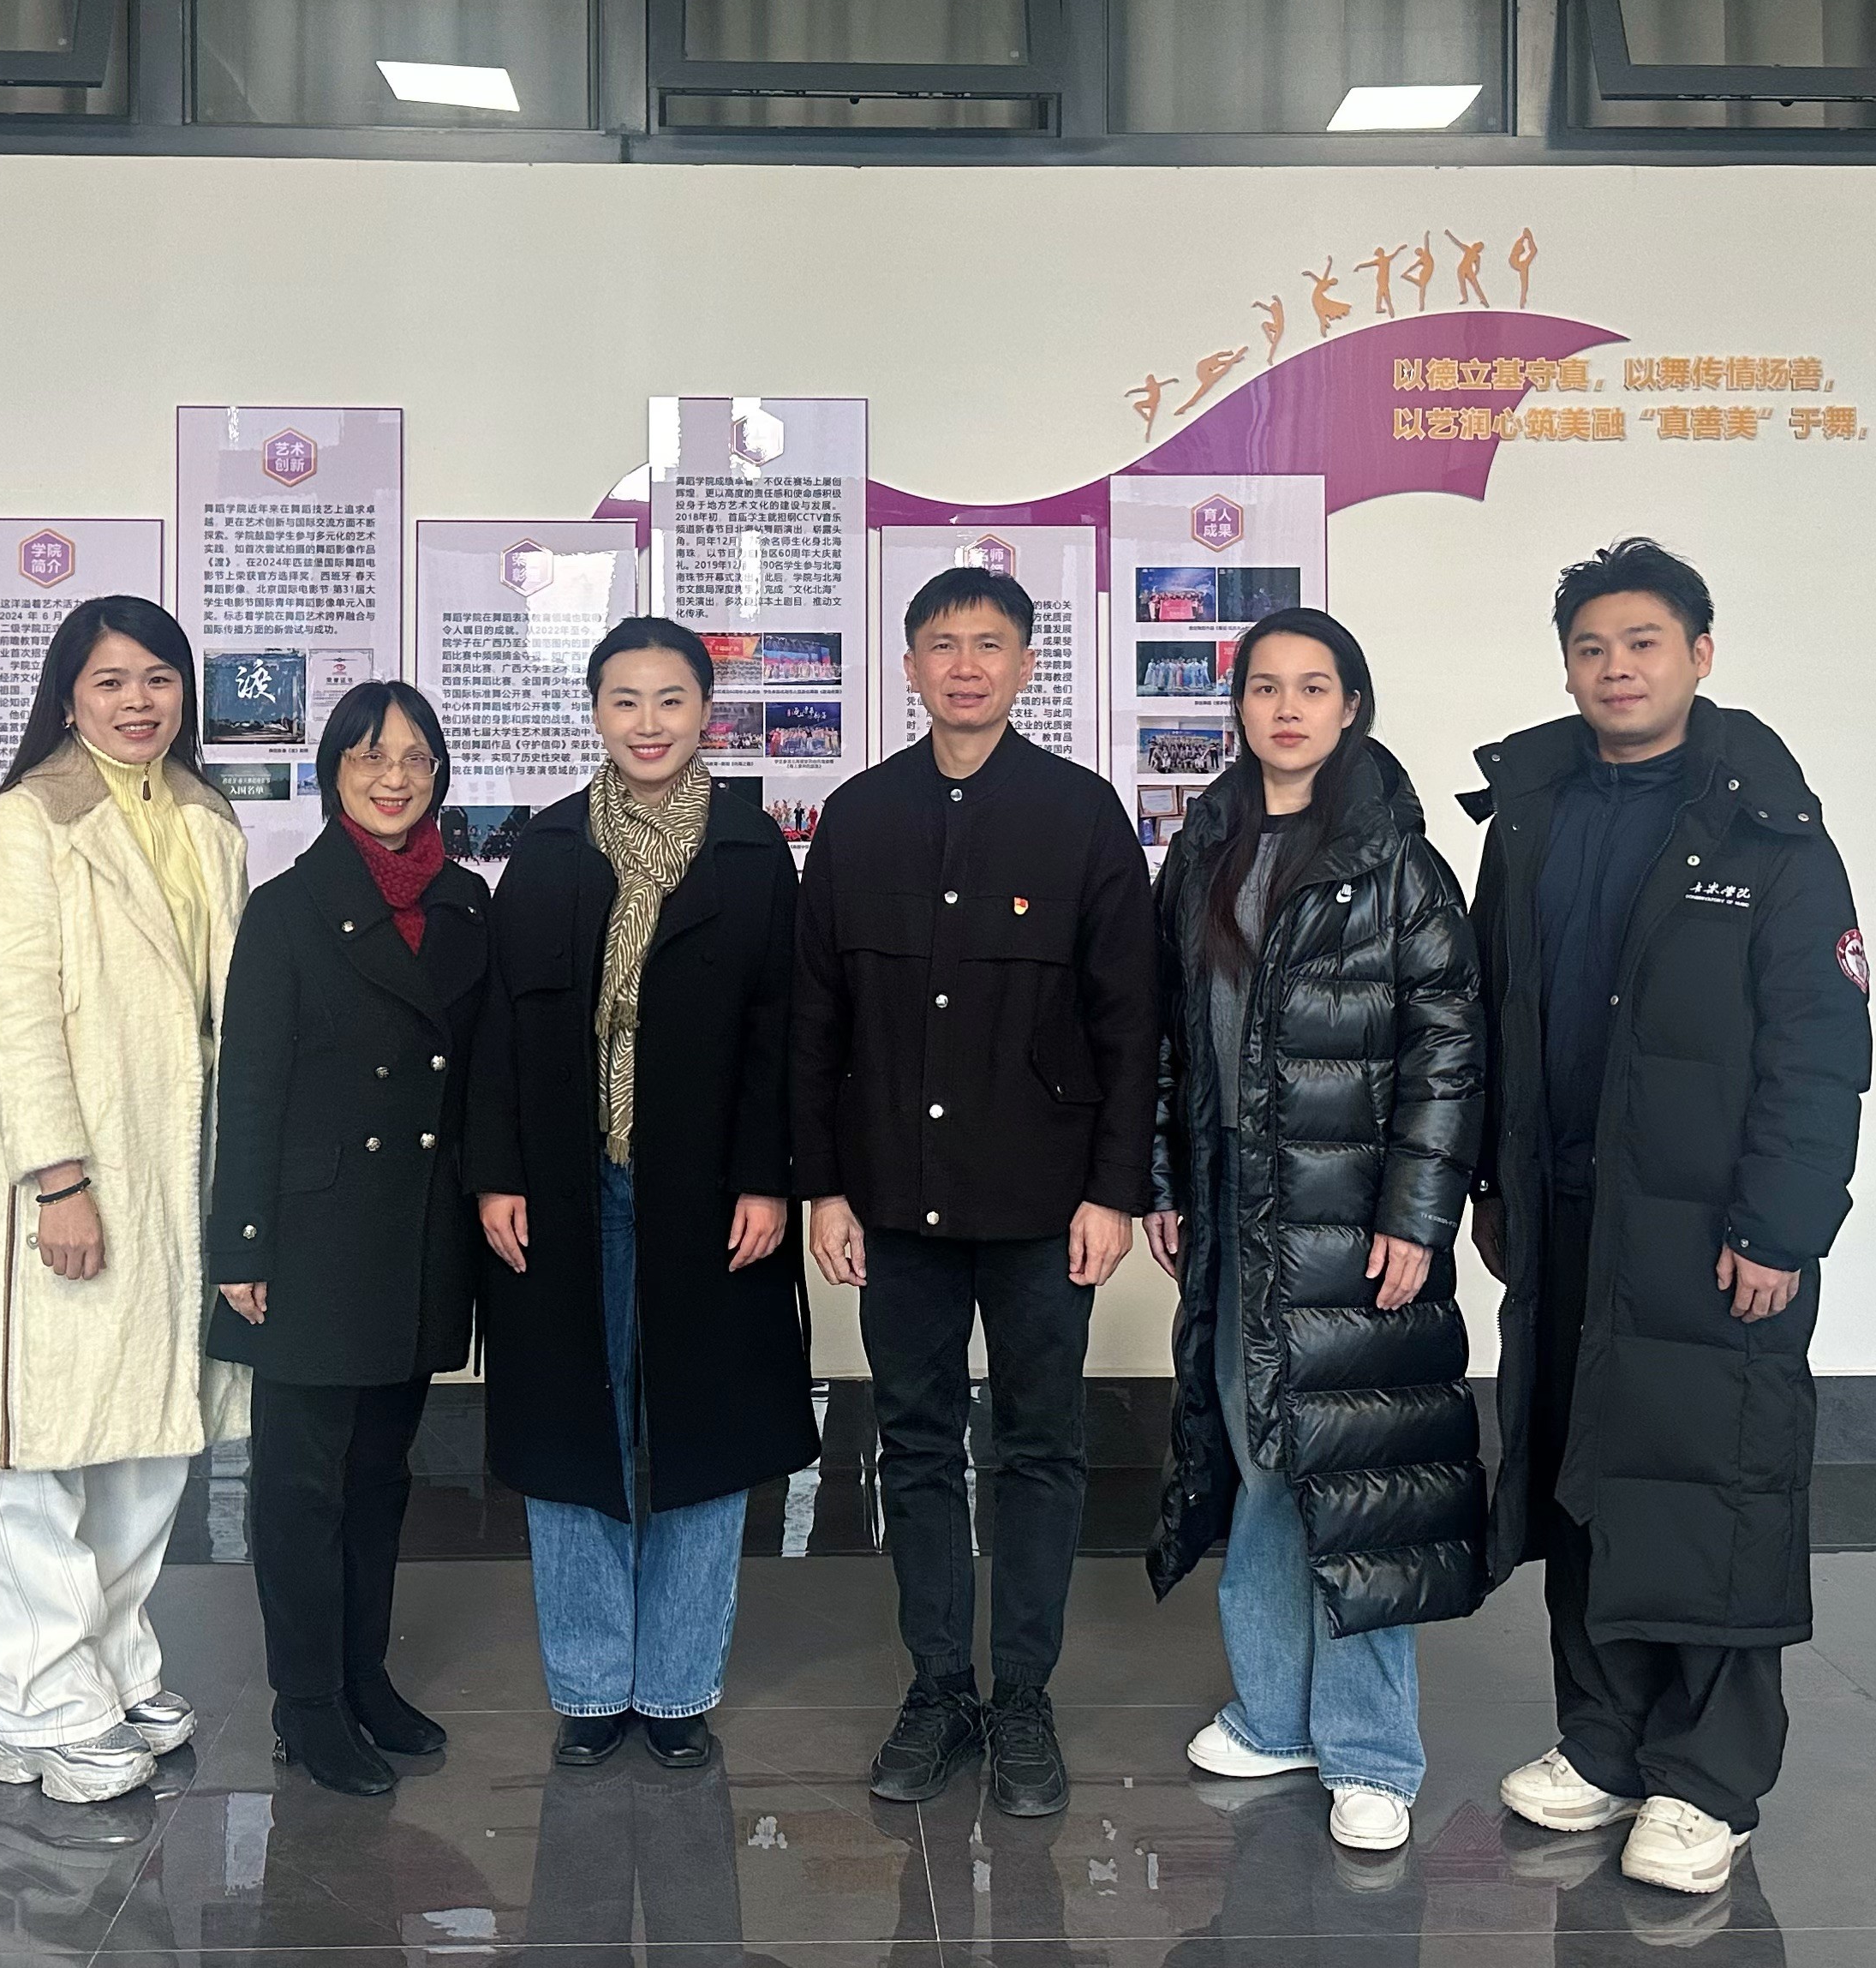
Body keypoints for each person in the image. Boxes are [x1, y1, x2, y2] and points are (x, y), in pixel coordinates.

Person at [1462, 539, 1871, 1897]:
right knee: (1583, 1477)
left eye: (1643, 643)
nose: (1616, 668)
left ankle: (1709, 1779)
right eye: (1590, 648)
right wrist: (1490, 1185)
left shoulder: (1771, 830)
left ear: (1700, 654)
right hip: (1566, 1212)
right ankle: (1604, 1741)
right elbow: (1490, 1012)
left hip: (1711, 1229)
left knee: (1712, 1487)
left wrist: (1780, 1227)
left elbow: (1822, 1046)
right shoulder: (1532, 814)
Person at [791, 563, 1162, 1816]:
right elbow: (816, 1022)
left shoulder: (1080, 815)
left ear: (1025, 666)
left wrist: (1114, 1191)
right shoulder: (860, 817)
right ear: (908, 666)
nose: (965, 665)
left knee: (1042, 1447)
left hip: (1046, 1202)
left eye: (989, 644)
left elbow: (1131, 1024)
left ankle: (1025, 1699)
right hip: (894, 1198)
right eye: (942, 644)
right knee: (915, 1445)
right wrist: (825, 1188)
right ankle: (940, 1687)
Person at [1143, 607, 1488, 1857]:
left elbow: (1449, 1050)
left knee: (1356, 1473)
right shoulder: (1207, 847)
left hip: (1352, 1209)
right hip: (1236, 1198)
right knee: (1261, 1452)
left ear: (1352, 707)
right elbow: (1169, 1039)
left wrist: (1417, 1217)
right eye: (1264, 687)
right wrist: (1167, 1181)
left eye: (1313, 687)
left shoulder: (1398, 861)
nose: (1286, 708)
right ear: (1238, 707)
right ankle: (1276, 1713)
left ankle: (1372, 1751)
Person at [470, 617, 817, 1769]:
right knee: (575, 1422)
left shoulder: (750, 852)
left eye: (671, 700)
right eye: (625, 701)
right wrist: (499, 1173)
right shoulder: (551, 849)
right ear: (595, 713)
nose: (649, 723)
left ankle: (675, 1687)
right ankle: (587, 1685)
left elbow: (780, 1032)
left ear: (707, 712)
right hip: (569, 1187)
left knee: (699, 1426)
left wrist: (769, 1179)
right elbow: (501, 1029)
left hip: (708, 1191)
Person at [0, 595, 248, 1804]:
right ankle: (38, 1701)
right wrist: (58, 1180)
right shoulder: (28, 821)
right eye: (111, 681)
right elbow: (13, 1018)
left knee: (148, 1438)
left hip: (180, 1178)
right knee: (33, 1452)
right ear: (67, 697)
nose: (138, 703)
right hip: (70, 1179)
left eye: (158, 679)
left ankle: (109, 1666)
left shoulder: (206, 818)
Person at [208, 679, 487, 1798]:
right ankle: (309, 1704)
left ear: (438, 776)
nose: (393, 777)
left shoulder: (466, 903)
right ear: (334, 772)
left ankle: (365, 1678)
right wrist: (242, 1244)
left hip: (419, 1229)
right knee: (301, 1484)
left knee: (381, 1475)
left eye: (415, 758)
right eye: (371, 756)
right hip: (314, 1236)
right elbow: (250, 1086)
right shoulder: (288, 907)